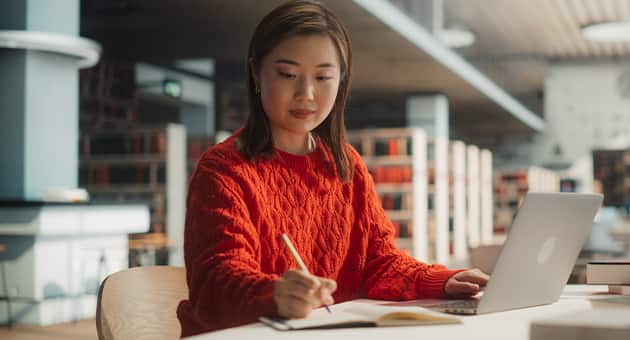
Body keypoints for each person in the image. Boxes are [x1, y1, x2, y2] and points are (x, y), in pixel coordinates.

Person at [176, 1, 488, 336]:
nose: (306, 94)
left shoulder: (346, 164)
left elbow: (379, 263)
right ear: (256, 72)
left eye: (323, 77)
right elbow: (216, 281)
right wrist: (275, 294)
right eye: (287, 75)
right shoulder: (224, 169)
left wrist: (440, 280)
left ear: (341, 81)